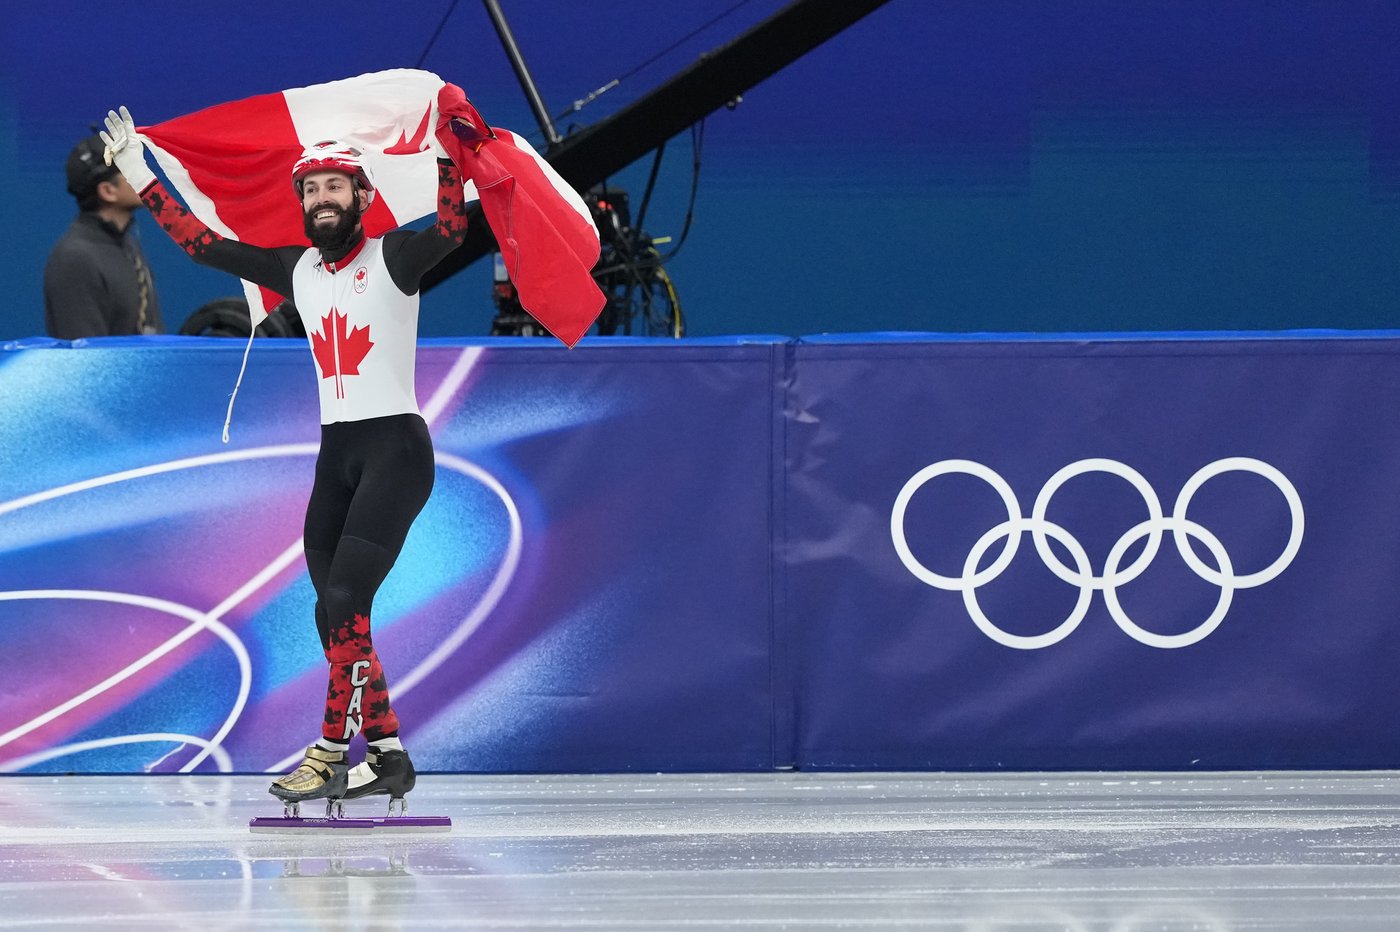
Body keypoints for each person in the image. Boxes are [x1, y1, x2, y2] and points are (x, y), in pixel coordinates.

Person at [100, 105, 470, 813]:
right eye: (311, 190)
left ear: (362, 197)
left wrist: (450, 157)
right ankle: (388, 754)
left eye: (336, 188)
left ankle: (331, 754)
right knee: (332, 618)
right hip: (338, 452)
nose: (322, 200)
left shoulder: (391, 257)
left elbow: (454, 229)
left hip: (395, 449)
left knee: (343, 599)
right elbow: (202, 245)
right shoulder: (293, 269)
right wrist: (137, 171)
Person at [44, 134, 165, 338]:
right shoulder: (75, 259)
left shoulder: (128, 245)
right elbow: (85, 360)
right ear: (108, 191)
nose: (146, 176)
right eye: (132, 170)